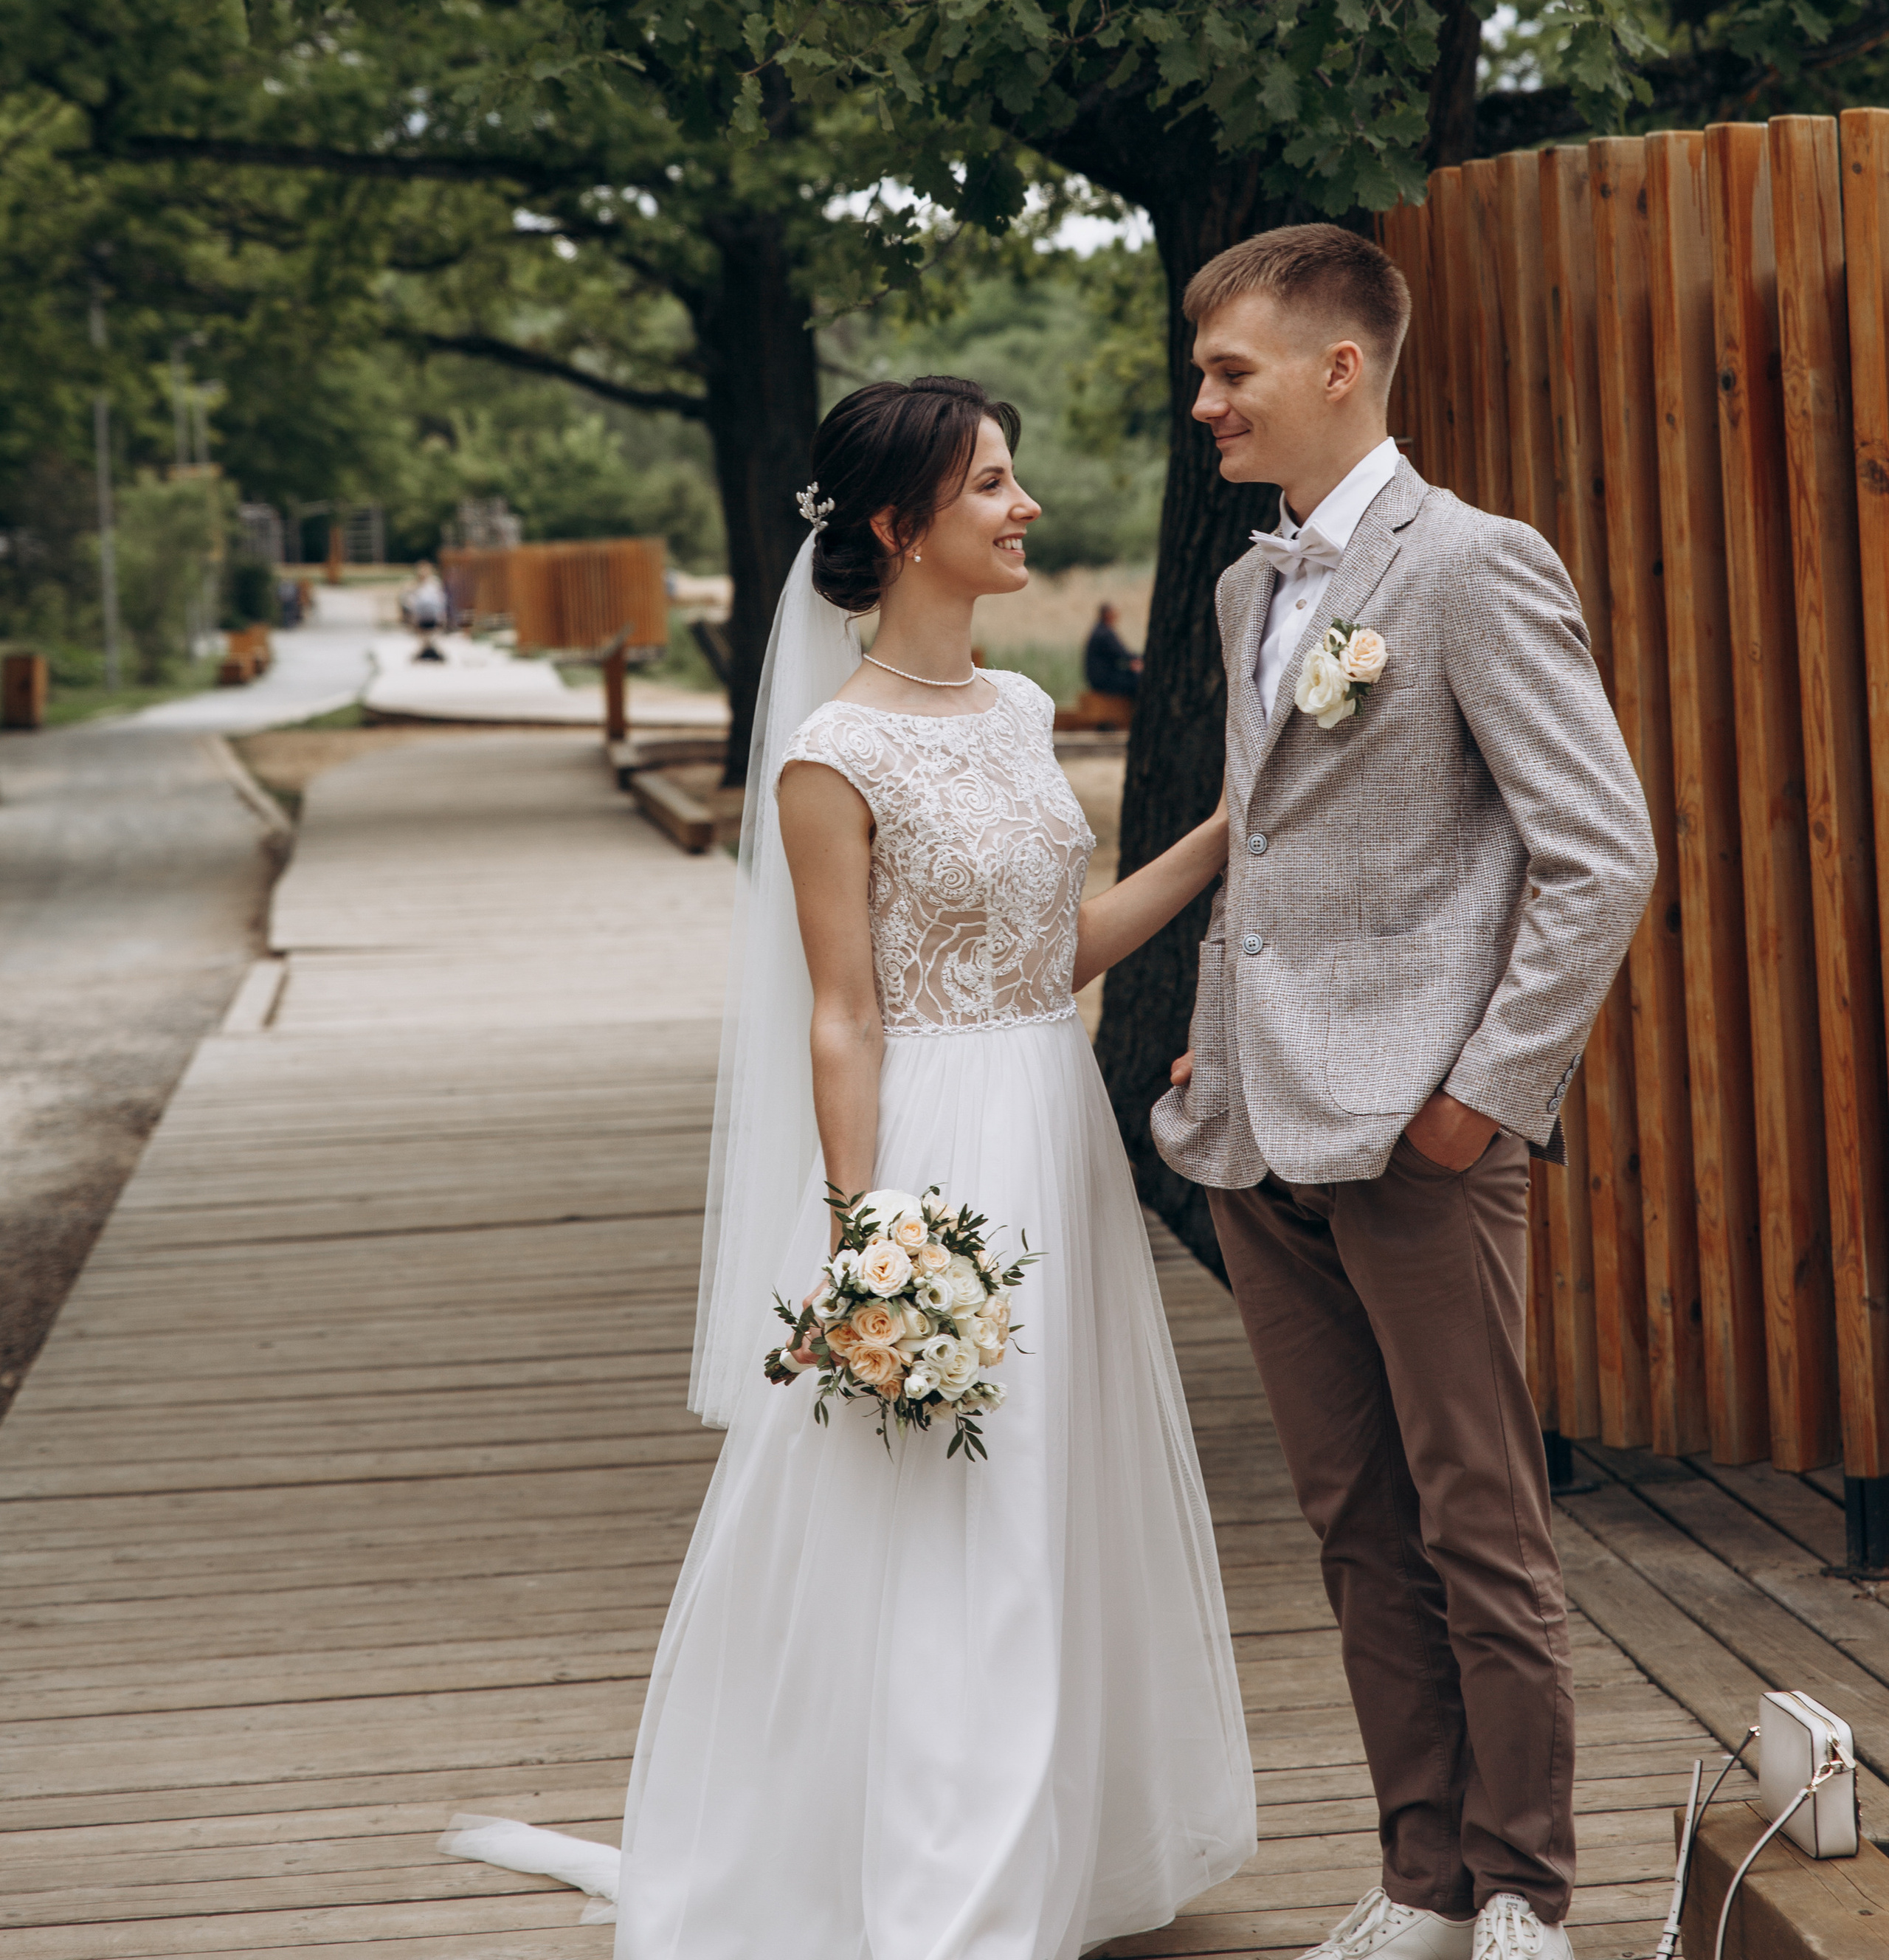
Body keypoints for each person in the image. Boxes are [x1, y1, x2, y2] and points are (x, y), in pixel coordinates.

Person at [443, 373, 1256, 1956]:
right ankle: (948, 1904)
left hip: (1053, 1122)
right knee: (962, 1513)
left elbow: (1054, 952)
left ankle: (1044, 1854)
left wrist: (1224, 830)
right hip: (937, 1154)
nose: (1023, 508)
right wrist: (864, 1235)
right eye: (993, 486)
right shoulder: (831, 756)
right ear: (901, 529)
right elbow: (840, 1014)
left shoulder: (1020, 714)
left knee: (1052, 1496)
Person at [1152, 224, 1657, 1960]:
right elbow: (1268, 851)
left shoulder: (1472, 565)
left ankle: (1521, 1888)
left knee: (1476, 1515)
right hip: (1251, 1127)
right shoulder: (1244, 588)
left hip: (1418, 1135)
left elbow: (1596, 854)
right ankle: (1417, 1877)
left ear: (1336, 366)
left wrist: (1483, 1094)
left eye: (1227, 369)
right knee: (1352, 1519)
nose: (1200, 397)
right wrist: (1215, 1029)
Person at [1082, 599, 1142, 701]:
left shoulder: (1100, 630)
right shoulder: (1105, 634)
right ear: (1107, 614)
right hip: (1104, 680)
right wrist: (1139, 660)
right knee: (1137, 681)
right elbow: (1122, 654)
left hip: (1099, 678)